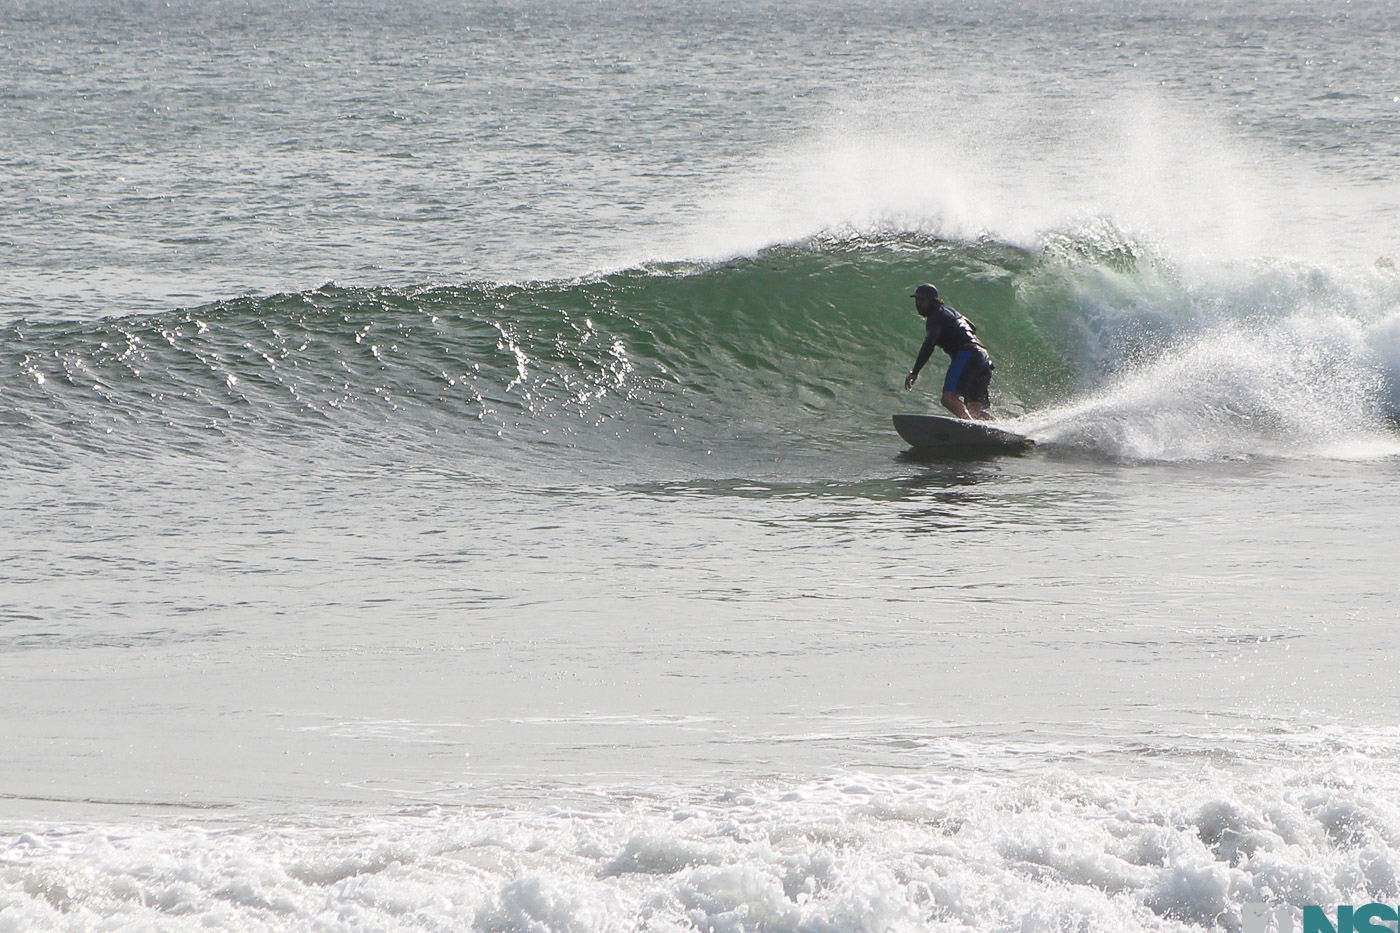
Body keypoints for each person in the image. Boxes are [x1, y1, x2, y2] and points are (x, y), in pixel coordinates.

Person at [902, 283, 996, 421]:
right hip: (983, 357)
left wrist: (915, 372)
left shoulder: (935, 316)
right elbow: (972, 327)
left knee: (948, 398)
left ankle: (969, 428)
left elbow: (929, 345)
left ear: (932, 301)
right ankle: (1008, 432)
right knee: (974, 410)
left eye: (922, 300)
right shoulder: (951, 312)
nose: (918, 304)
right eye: (917, 300)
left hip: (967, 354)